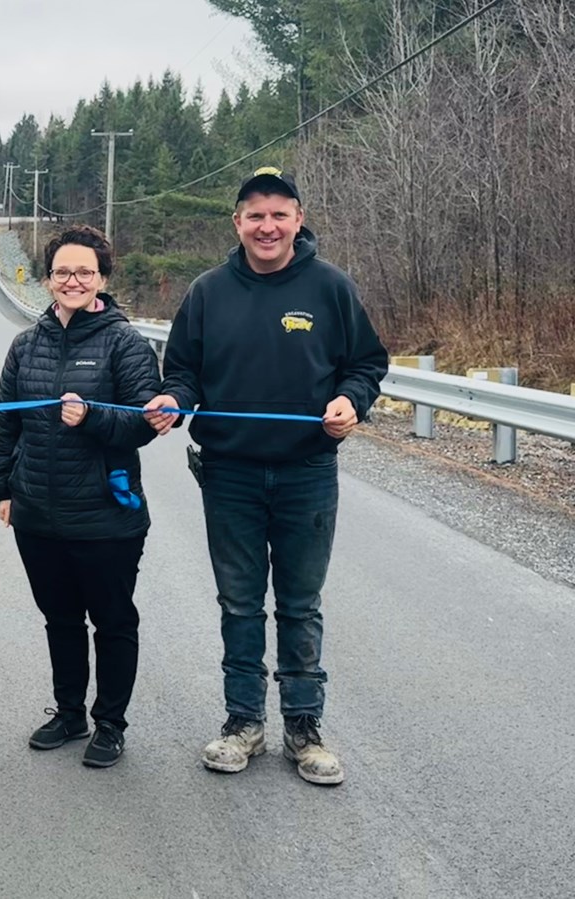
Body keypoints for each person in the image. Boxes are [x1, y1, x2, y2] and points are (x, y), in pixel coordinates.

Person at [143, 167, 388, 786]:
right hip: (229, 474)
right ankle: (243, 723)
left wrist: (351, 403)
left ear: (298, 220)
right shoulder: (207, 292)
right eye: (255, 215)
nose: (268, 226)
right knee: (240, 603)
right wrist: (175, 401)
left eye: (279, 214)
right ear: (238, 223)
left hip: (308, 471)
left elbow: (366, 363)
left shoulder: (331, 288)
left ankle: (303, 728)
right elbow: (184, 373)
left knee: (300, 606)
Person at [0, 225, 160, 769]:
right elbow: (5, 424)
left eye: (85, 271)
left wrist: (92, 417)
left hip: (107, 516)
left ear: (102, 279)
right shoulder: (25, 346)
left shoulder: (124, 343)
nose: (73, 280)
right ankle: (69, 712)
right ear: (47, 279)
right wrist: (2, 487)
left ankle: (110, 723)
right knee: (59, 618)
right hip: (37, 513)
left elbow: (144, 422)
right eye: (62, 271)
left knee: (112, 620)